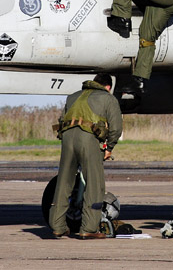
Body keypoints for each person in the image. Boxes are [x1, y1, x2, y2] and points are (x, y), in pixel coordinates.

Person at [50, 73, 123, 239]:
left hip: (67, 139)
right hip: (88, 140)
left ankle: (57, 226)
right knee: (95, 185)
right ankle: (88, 228)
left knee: (63, 182)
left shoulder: (73, 96)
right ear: (108, 87)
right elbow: (116, 127)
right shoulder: (107, 98)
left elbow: (62, 120)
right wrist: (109, 147)